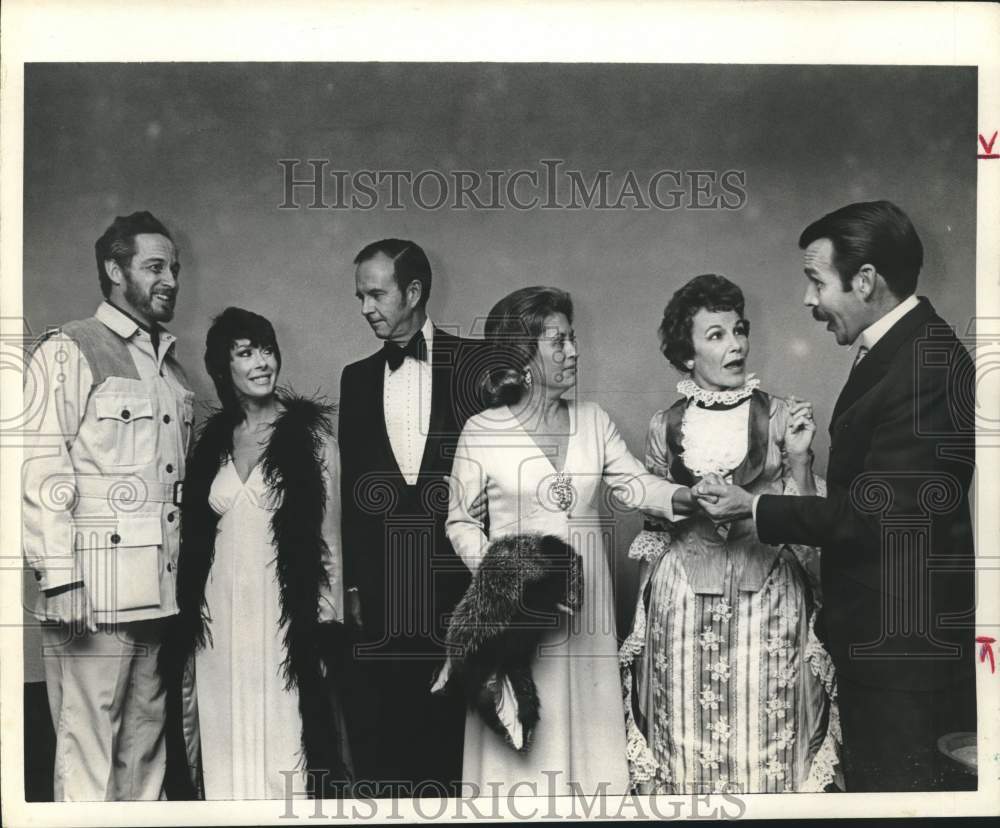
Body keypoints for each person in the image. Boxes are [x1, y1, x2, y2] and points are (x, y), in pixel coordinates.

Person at [696, 201, 977, 791]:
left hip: (904, 654)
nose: (807, 300)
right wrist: (800, 467)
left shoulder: (924, 362)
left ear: (867, 280)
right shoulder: (900, 349)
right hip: (883, 642)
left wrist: (752, 507)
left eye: (816, 281)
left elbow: (879, 517)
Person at [446, 286, 697, 795]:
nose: (574, 351)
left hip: (588, 621)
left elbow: (635, 486)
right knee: (522, 750)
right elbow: (459, 522)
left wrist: (693, 497)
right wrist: (507, 578)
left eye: (573, 338)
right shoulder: (482, 430)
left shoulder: (593, 421)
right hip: (518, 620)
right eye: (558, 341)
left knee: (586, 747)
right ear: (522, 355)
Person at [618, 274, 840, 795]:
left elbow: (809, 519)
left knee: (768, 736)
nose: (735, 345)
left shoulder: (782, 414)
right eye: (715, 335)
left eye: (738, 330)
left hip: (768, 603)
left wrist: (802, 457)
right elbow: (654, 524)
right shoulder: (663, 425)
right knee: (686, 733)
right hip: (683, 605)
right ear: (686, 353)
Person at [22, 211, 194, 800]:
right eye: (154, 266)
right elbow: (40, 467)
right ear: (114, 269)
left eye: (173, 267)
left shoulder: (169, 368)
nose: (170, 278)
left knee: (144, 745)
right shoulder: (71, 347)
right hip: (91, 595)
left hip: (156, 592)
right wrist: (61, 579)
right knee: (87, 745)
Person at [159, 307, 350, 800]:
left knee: (288, 733)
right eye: (246, 353)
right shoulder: (212, 445)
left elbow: (330, 540)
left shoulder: (312, 438)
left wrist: (326, 627)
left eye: (267, 349)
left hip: (282, 614)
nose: (262, 362)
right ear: (225, 369)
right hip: (218, 614)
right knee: (222, 735)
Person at [337, 239, 486, 795]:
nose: (365, 307)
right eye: (360, 296)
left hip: (457, 584)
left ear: (414, 291)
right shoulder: (354, 378)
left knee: (454, 737)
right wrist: (350, 584)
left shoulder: (475, 363)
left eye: (375, 293)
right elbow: (352, 493)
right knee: (385, 738)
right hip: (379, 592)